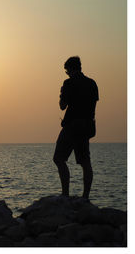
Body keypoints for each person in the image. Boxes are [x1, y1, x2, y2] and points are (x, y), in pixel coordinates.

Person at [53, 56, 99, 199]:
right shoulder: (92, 83)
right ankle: (85, 197)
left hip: (72, 125)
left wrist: (62, 93)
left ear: (70, 69)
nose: (66, 74)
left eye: (67, 71)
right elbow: (93, 105)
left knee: (59, 158)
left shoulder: (69, 83)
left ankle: (65, 195)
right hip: (87, 126)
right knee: (85, 161)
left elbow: (62, 106)